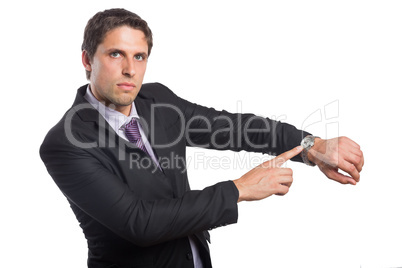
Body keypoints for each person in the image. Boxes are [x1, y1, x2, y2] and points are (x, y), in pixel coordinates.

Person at [39, 8, 364, 268]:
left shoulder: (158, 100)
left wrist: (313, 146)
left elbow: (233, 128)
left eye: (139, 57)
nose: (130, 70)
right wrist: (239, 189)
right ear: (86, 60)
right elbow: (139, 223)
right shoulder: (66, 143)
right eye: (115, 55)